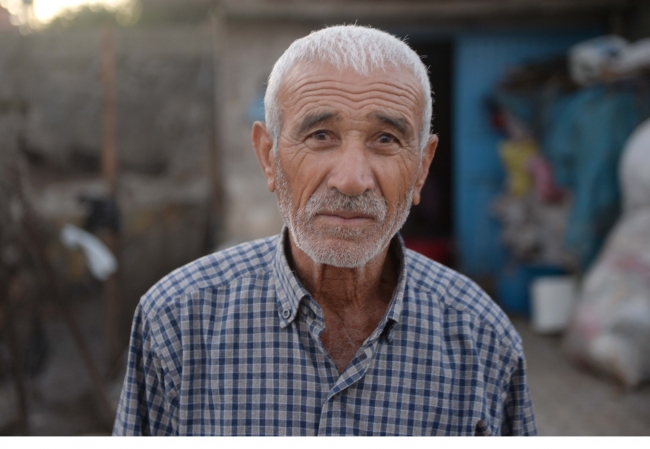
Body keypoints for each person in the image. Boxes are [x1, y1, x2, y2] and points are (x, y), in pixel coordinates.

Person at [113, 25, 536, 436]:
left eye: (386, 139)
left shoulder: (483, 339)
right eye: (320, 135)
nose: (351, 180)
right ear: (268, 157)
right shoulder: (177, 323)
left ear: (422, 167)